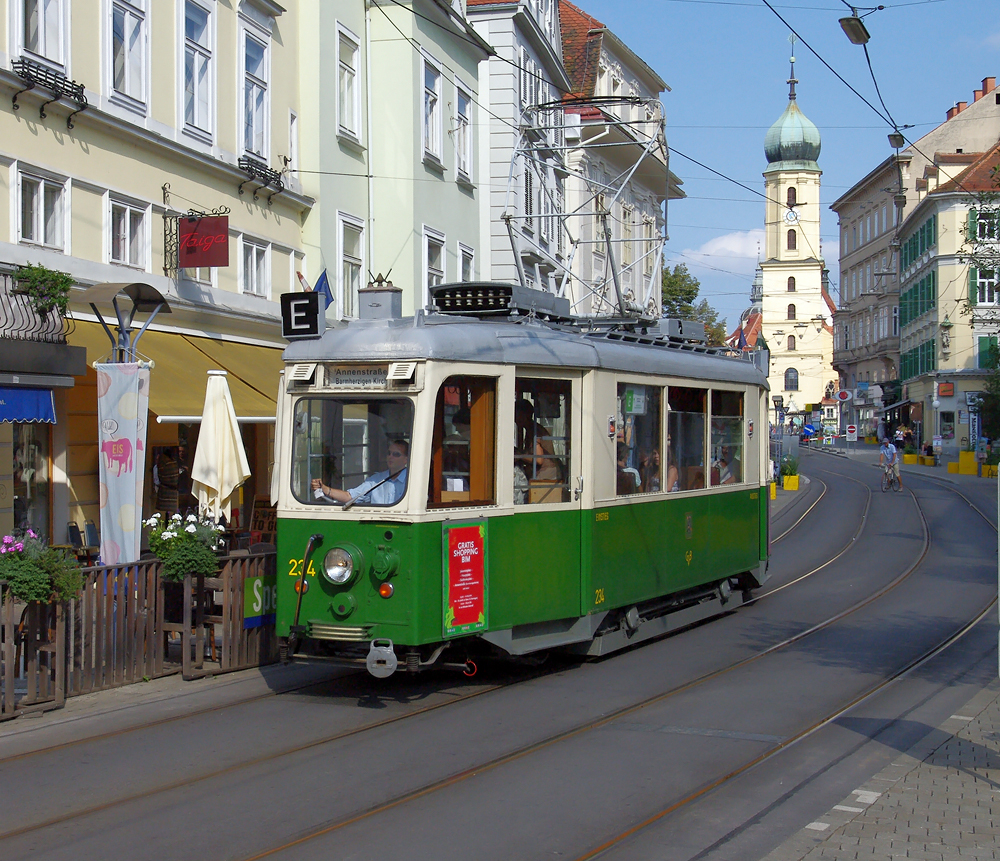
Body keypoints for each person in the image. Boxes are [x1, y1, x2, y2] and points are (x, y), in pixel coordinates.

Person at [312, 440, 410, 505]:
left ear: (406, 459)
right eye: (389, 453)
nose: (390, 457)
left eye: (396, 454)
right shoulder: (376, 480)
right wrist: (324, 489)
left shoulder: (412, 481)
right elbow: (350, 497)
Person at [514, 399, 558, 481]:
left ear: (525, 415)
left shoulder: (535, 431)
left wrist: (519, 455)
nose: (514, 418)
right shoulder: (530, 429)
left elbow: (538, 459)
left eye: (517, 414)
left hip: (545, 476)